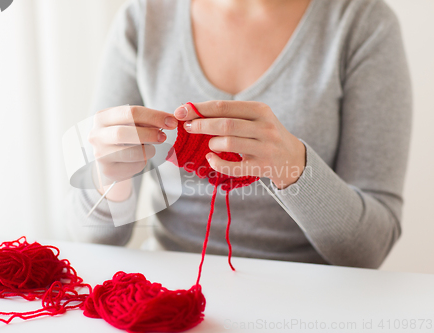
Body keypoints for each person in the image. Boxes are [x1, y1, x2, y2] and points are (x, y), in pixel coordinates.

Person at [66, 0, 412, 268]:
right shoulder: (145, 16)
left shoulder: (362, 23)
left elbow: (369, 250)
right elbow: (93, 240)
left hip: (310, 297)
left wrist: (293, 168)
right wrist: (109, 179)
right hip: (173, 291)